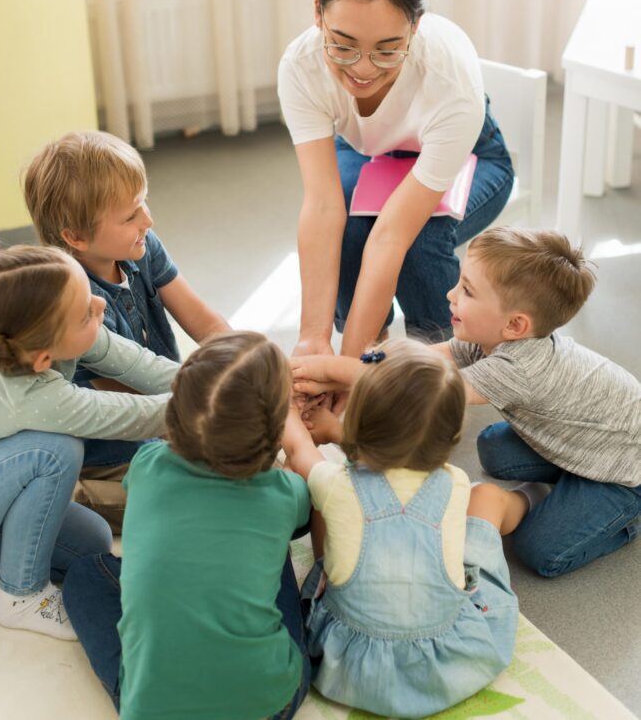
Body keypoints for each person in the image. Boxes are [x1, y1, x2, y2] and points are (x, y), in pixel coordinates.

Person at [293, 227, 641, 578]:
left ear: (515, 325)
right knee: (492, 448)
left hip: (622, 472)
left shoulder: (518, 367)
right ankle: (570, 484)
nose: (450, 294)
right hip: (583, 440)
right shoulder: (487, 337)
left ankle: (625, 518)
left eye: (467, 291)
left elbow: (421, 387)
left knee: (541, 552)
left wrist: (325, 368)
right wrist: (330, 377)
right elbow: (414, 364)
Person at [278, 0, 514, 361]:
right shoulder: (301, 66)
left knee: (419, 243)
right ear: (317, 12)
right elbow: (322, 206)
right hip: (369, 149)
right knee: (349, 228)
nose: (363, 70)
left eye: (387, 51)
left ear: (416, 25)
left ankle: (438, 363)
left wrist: (347, 369)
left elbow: (392, 236)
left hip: (473, 155)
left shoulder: (450, 83)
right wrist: (314, 340)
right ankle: (373, 349)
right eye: (343, 46)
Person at [62, 332, 312, 720]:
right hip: (270, 705)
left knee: (84, 575)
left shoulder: (148, 463)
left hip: (155, 711)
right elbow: (304, 507)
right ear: (274, 431)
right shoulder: (283, 492)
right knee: (271, 540)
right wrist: (299, 449)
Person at [282, 339, 529, 718]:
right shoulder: (455, 483)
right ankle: (530, 502)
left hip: (350, 669)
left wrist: (288, 410)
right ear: (450, 438)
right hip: (450, 666)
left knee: (321, 493)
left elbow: (300, 451)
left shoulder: (337, 484)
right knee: (487, 503)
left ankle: (333, 568)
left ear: (357, 425)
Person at [23, 130, 229, 526]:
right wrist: (218, 413)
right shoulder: (69, 305)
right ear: (76, 238)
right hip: (118, 447)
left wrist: (248, 364)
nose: (148, 220)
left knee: (248, 453)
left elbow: (204, 321)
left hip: (167, 405)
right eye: (131, 215)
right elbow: (128, 399)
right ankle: (72, 499)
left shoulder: (144, 244)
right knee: (208, 489)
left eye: (144, 203)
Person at [0, 240, 178, 639]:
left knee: (93, 542)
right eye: (85, 313)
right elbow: (135, 417)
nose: (100, 304)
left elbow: (141, 365)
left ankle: (9, 561)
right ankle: (20, 596)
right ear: (42, 359)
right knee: (55, 451)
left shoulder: (47, 334)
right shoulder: (28, 393)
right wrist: (228, 396)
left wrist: (217, 375)